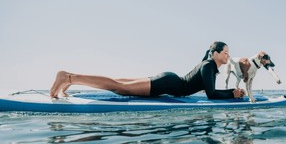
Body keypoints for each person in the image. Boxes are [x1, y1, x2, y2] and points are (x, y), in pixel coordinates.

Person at [50, 41, 246, 99]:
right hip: (168, 83)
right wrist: (232, 93)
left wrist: (231, 92)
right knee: (121, 87)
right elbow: (211, 94)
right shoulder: (209, 65)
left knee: (123, 82)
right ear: (215, 54)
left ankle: (70, 79)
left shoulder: (208, 66)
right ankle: (68, 77)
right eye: (226, 52)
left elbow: (205, 89)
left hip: (168, 81)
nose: (228, 56)